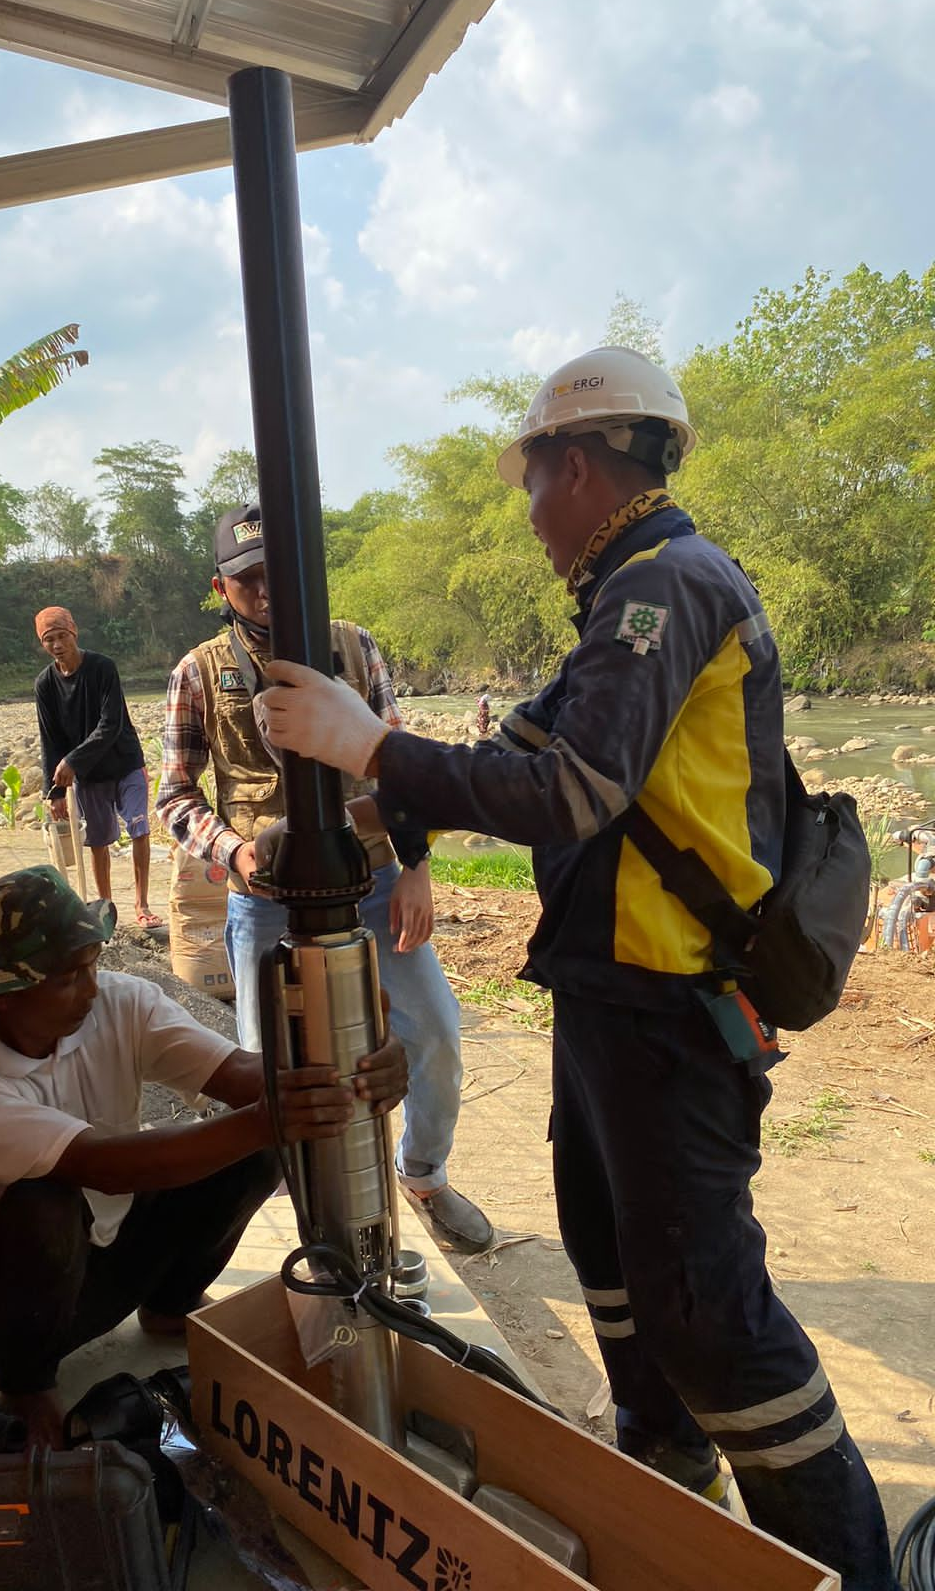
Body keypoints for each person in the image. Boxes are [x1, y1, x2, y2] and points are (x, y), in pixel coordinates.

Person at [256, 347, 898, 1589]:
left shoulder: (668, 584)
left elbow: (567, 788)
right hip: (614, 1004)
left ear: (581, 464)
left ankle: (844, 1565)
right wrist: (384, 796)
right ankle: (668, 1492)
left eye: (534, 480)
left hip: (676, 1013)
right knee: (617, 1272)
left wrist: (371, 739)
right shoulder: (622, 593)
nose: (530, 510)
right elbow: (524, 744)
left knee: (710, 1317)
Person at [0, 864, 407, 1449]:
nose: (91, 988)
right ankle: (27, 1383)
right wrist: (267, 1116)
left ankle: (171, 1305)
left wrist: (355, 1058)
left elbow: (243, 1077)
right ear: (5, 997)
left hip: (116, 1259)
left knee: (252, 1147)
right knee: (43, 1201)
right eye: (69, 977)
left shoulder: (120, 1004)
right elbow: (101, 1165)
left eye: (92, 965)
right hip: (9, 1310)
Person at [155, 504, 493, 1254]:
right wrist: (236, 855)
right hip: (265, 903)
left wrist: (416, 867)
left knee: (434, 1029)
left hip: (370, 882)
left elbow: (402, 764)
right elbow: (174, 796)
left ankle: (424, 1173)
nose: (268, 592)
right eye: (249, 580)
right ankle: (290, 1199)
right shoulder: (198, 673)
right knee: (263, 1063)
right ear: (221, 587)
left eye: (282, 574)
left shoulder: (354, 646)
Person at [33, 605, 162, 930]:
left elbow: (111, 723)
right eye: (50, 640)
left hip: (124, 761)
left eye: (62, 636)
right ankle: (107, 909)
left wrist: (73, 760)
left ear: (74, 632)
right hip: (89, 775)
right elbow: (51, 740)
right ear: (43, 644)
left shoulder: (103, 668)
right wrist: (55, 791)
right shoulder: (45, 685)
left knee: (140, 829)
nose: (58, 645)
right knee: (98, 841)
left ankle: (142, 904)